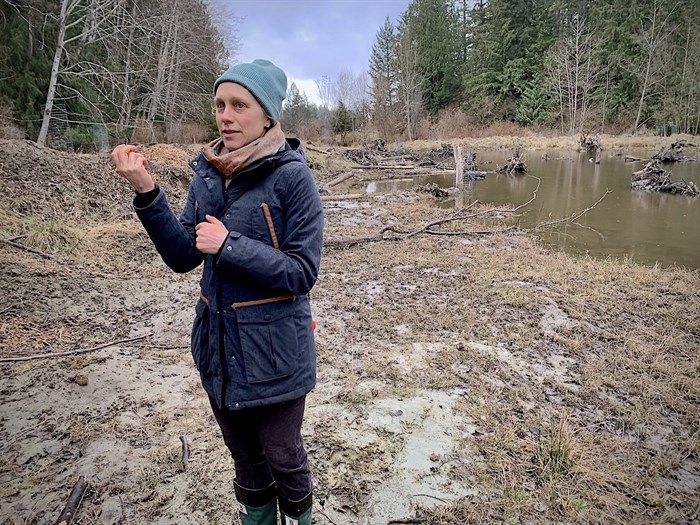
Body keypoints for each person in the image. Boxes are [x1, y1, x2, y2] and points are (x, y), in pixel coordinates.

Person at [111, 59, 323, 525]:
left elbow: (302, 272)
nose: (225, 115)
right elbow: (183, 255)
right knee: (245, 459)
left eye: (239, 105)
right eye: (220, 104)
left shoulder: (293, 178)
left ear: (267, 115)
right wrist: (147, 191)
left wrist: (230, 246)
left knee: (285, 458)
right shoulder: (208, 172)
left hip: (275, 354)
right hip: (219, 348)